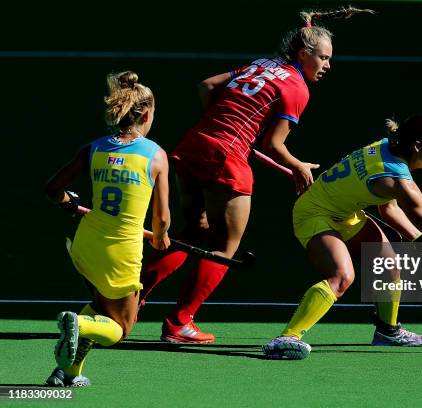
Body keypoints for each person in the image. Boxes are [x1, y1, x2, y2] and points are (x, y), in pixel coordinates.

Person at [139, 6, 374, 344]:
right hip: (227, 158)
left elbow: (206, 86)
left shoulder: (262, 64)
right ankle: (179, 324)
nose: (327, 66)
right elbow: (274, 143)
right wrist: (297, 165)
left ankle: (130, 300)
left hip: (194, 144)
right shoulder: (297, 88)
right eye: (322, 58)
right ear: (304, 53)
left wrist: (224, 125)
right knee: (224, 245)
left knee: (192, 232)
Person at [262, 115, 422, 359]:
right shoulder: (399, 181)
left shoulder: (385, 147)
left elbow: (389, 208)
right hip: (314, 213)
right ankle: (287, 337)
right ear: (417, 145)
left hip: (345, 214)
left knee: (389, 266)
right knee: (342, 276)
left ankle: (388, 332)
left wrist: (417, 240)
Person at [44, 71, 170, 386]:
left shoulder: (95, 148)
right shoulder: (155, 155)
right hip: (121, 252)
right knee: (120, 329)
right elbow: (162, 218)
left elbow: (53, 188)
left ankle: (69, 373)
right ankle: (80, 326)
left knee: (102, 307)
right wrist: (161, 238)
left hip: (86, 245)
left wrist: (68, 203)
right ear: (146, 114)